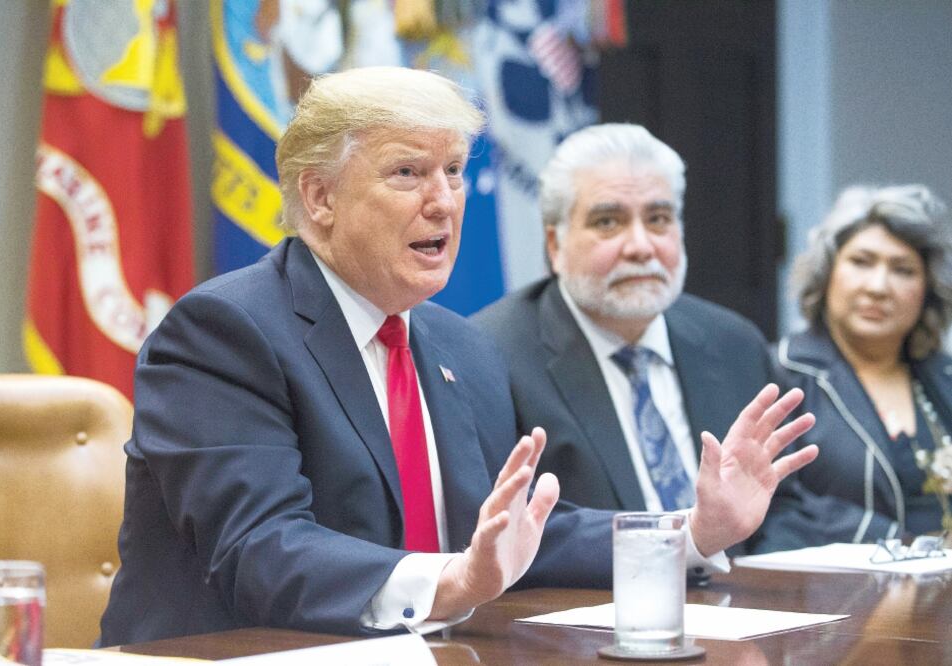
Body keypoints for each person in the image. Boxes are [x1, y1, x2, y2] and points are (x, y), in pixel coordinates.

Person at [98, 68, 816, 646]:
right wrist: (449, 584)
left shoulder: (456, 343)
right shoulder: (225, 332)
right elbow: (259, 552)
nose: (444, 202)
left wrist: (693, 531)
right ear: (318, 196)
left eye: (453, 171)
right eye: (408, 173)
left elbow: (515, 536)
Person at [473, 123, 804, 554]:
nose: (641, 247)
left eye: (658, 219)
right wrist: (689, 539)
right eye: (608, 222)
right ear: (555, 245)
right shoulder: (492, 354)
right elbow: (514, 527)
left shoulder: (733, 343)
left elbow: (786, 507)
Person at [756, 185, 952, 552]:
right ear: (827, 273)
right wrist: (906, 546)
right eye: (861, 262)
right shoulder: (779, 372)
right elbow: (778, 506)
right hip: (837, 595)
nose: (878, 287)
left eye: (903, 269)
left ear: (927, 289)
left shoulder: (944, 375)